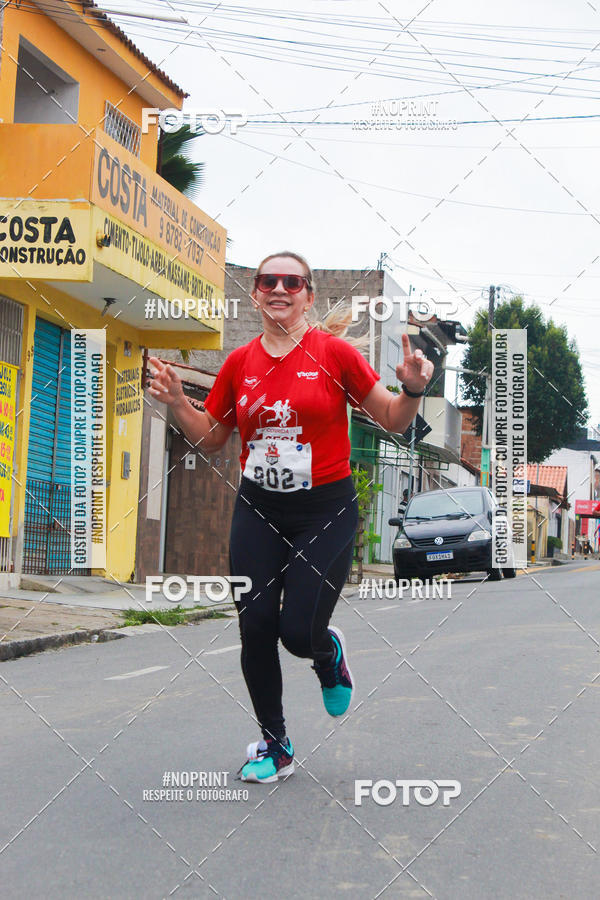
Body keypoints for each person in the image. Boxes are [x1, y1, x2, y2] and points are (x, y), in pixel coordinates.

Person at [147, 251, 433, 784]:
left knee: (298, 633)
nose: (279, 288)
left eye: (292, 281)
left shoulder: (334, 355)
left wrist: (413, 389)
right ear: (256, 293)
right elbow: (213, 437)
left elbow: (393, 418)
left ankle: (326, 654)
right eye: (268, 280)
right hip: (259, 508)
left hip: (325, 509)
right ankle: (276, 746)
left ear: (308, 295)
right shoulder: (239, 364)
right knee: (255, 626)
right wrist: (177, 403)